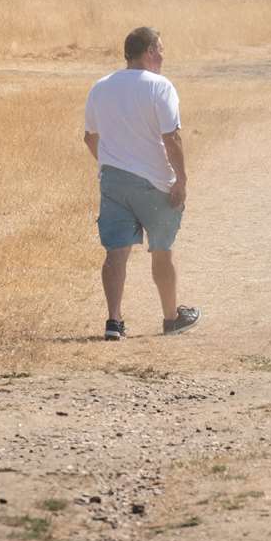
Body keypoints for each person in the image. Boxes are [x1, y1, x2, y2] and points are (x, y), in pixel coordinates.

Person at [83, 27, 201, 340]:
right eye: (160, 49)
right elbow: (171, 138)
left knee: (115, 254)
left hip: (114, 181)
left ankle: (114, 321)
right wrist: (182, 180)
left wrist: (112, 163)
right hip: (155, 183)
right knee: (161, 251)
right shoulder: (160, 86)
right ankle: (170, 318)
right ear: (149, 51)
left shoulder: (100, 87)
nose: (162, 56)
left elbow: (90, 137)